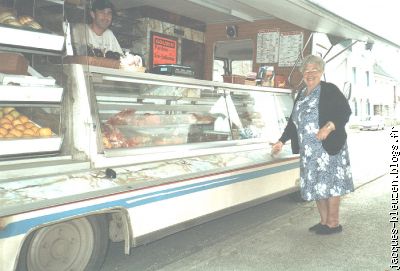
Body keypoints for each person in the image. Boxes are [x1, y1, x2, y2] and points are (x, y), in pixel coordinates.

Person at [271, 54, 354, 235]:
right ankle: (324, 221)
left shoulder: (330, 89)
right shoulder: (301, 94)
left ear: (321, 72)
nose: (310, 73)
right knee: (317, 185)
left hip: (328, 148)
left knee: (331, 184)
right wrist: (281, 141)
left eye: (314, 70)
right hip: (309, 151)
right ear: (302, 73)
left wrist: (329, 126)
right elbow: (293, 123)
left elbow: (345, 112)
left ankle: (333, 223)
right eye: (306, 70)